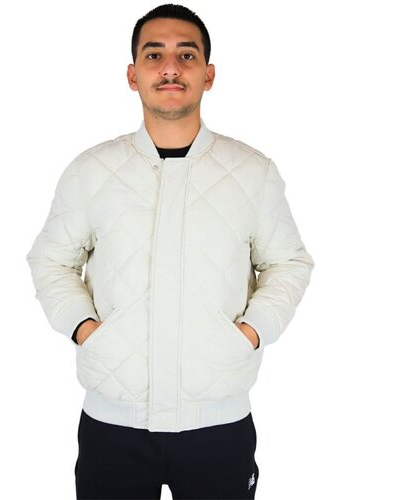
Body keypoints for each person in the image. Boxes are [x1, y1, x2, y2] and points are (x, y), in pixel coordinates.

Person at [26, 3, 315, 499]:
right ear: (133, 75)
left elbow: (288, 263)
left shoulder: (253, 171)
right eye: (154, 54)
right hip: (112, 425)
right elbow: (51, 260)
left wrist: (249, 334)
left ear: (209, 74)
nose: (170, 67)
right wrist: (84, 329)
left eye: (187, 54)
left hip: (218, 425)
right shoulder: (90, 171)